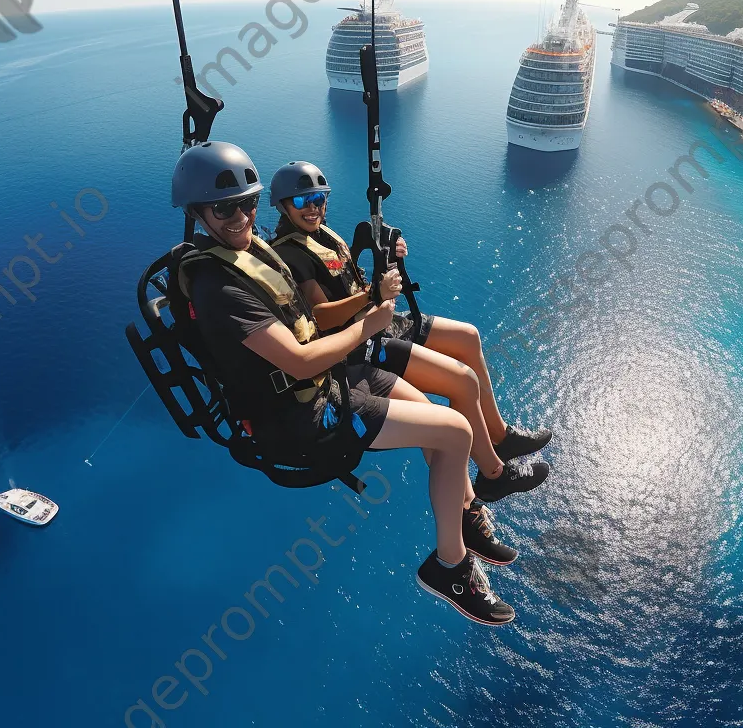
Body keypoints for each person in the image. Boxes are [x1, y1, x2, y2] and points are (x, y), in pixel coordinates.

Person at [171, 141, 517, 626]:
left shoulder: (247, 253)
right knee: (456, 432)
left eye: (247, 203)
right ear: (198, 212)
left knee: (443, 425)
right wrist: (369, 324)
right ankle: (450, 567)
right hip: (298, 416)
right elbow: (297, 360)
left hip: (331, 382)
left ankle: (463, 515)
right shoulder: (220, 287)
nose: (241, 217)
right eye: (224, 208)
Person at [266, 161, 552, 503]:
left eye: (318, 198)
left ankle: (501, 438)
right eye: (301, 202)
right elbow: (321, 317)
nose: (312, 208)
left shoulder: (319, 237)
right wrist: (374, 295)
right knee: (461, 382)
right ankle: (493, 474)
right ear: (283, 206)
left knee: (468, 337)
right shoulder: (289, 253)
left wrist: (388, 256)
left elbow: (347, 282)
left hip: (376, 319)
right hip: (359, 340)